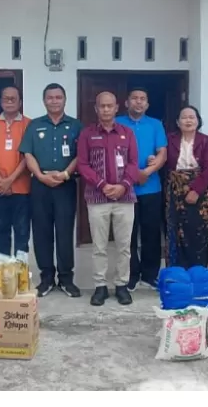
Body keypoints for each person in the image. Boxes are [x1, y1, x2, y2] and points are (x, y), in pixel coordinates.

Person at [77, 91, 139, 306]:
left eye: (109, 106)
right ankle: (100, 287)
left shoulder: (127, 133)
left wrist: (123, 186)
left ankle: (122, 285)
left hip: (125, 198)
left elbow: (133, 163)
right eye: (101, 106)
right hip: (97, 198)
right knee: (99, 246)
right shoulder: (87, 134)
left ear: (116, 108)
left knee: (124, 246)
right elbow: (82, 165)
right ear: (96, 109)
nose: (105, 109)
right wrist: (103, 185)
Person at [20, 83, 82, 298]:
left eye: (58, 97)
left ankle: (66, 278)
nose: (54, 101)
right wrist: (40, 176)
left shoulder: (76, 125)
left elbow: (80, 155)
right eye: (50, 98)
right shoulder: (35, 125)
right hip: (40, 185)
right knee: (42, 232)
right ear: (44, 101)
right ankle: (46, 278)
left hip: (65, 184)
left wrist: (64, 174)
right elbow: (28, 154)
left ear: (65, 100)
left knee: (64, 232)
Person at [116, 88, 168, 291]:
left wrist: (147, 172)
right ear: (127, 102)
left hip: (150, 187)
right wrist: (131, 176)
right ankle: (131, 273)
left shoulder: (155, 124)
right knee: (127, 234)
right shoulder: (118, 123)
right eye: (135, 99)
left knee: (151, 233)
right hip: (125, 188)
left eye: (143, 99)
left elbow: (162, 153)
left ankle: (150, 274)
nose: (139, 102)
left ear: (147, 104)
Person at [163, 106, 208, 269]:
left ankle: (198, 271)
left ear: (198, 121)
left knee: (198, 232)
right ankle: (176, 271)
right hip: (174, 191)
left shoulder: (207, 141)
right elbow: (163, 160)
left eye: (192, 117)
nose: (188, 120)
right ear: (178, 122)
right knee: (175, 231)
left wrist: (196, 190)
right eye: (184, 117)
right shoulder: (169, 139)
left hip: (200, 191)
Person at [0, 86, 32, 255]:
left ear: (20, 102)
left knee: (22, 233)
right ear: (1, 101)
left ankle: (20, 277)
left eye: (13, 98)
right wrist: (1, 181)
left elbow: (28, 157)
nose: (9, 102)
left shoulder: (28, 124)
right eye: (6, 98)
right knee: (0, 233)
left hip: (22, 189)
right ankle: (3, 275)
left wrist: (9, 180)